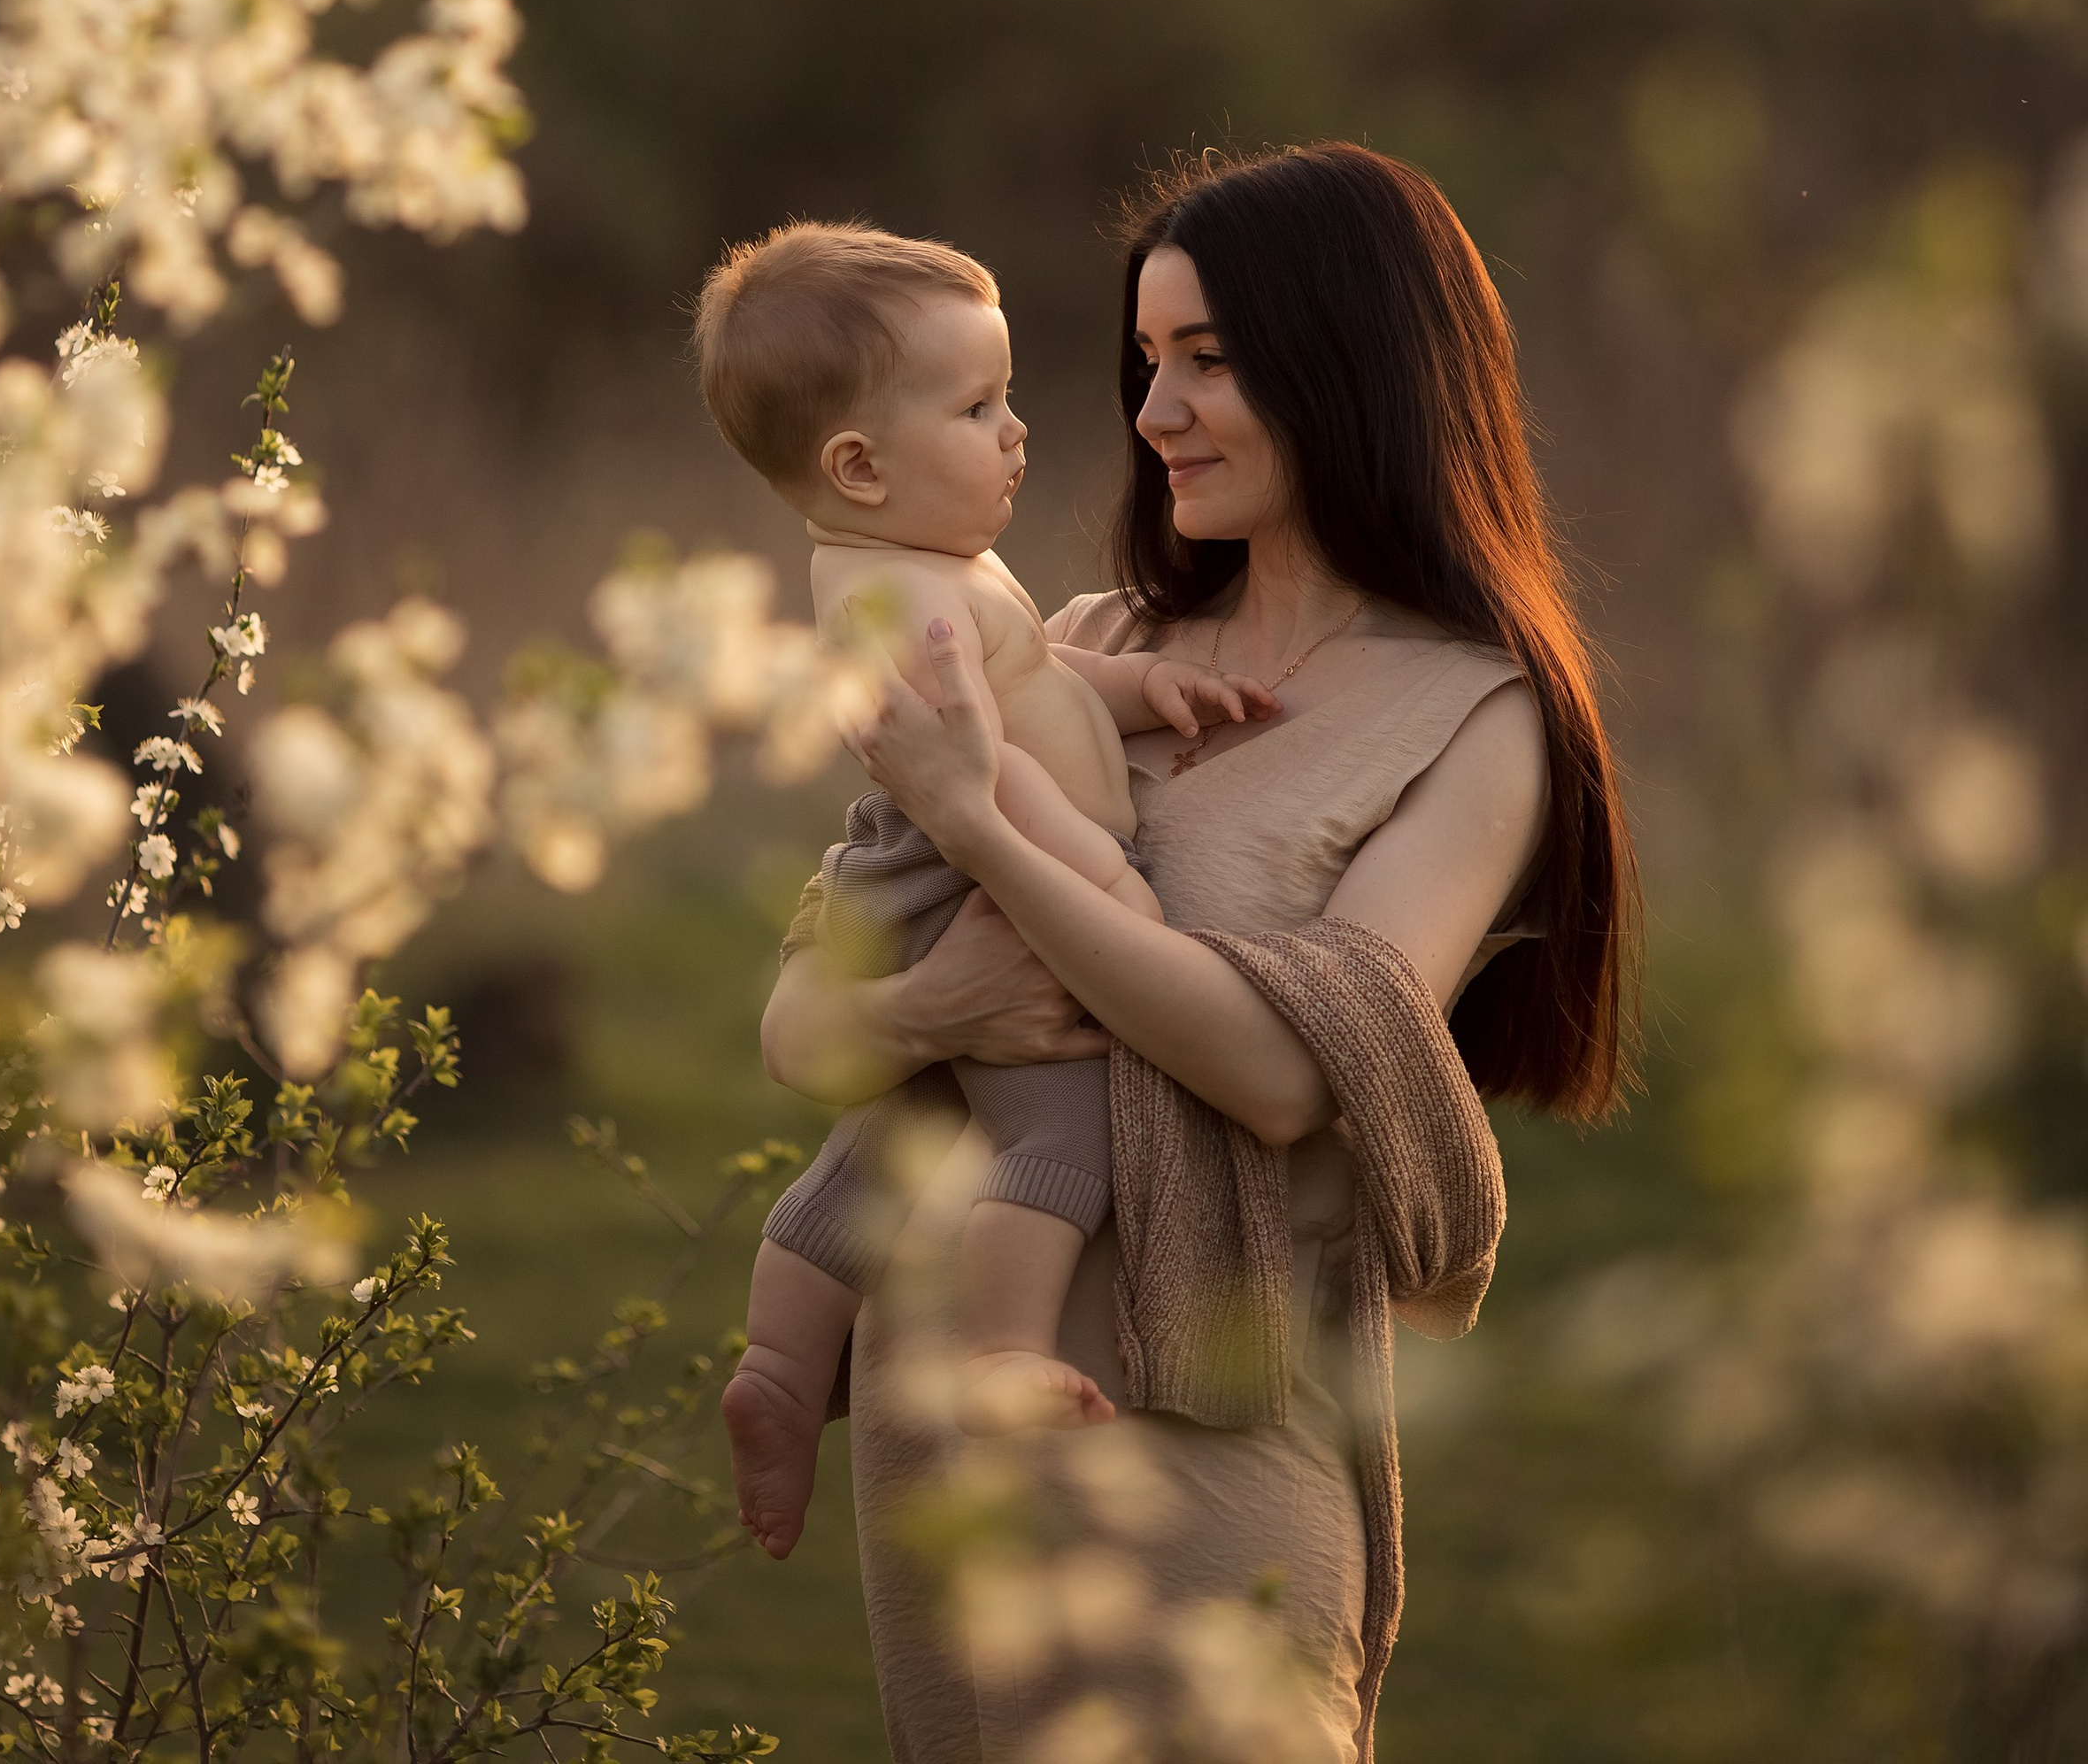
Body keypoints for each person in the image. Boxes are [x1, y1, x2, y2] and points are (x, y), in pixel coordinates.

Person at [757, 144, 1639, 1764]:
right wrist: (926, 1001)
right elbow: (807, 1018)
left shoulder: (1474, 716)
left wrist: (990, 837)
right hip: (944, 1416)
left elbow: (1295, 1070)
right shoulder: (1077, 648)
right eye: (1148, 361)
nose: (1154, 411)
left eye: (1212, 363)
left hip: (1194, 1440)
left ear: (1355, 368)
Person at [693, 223, 1277, 1558]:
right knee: (1062, 1130)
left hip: (905, 882)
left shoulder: (915, 566)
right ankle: (1007, 1346)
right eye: (976, 407)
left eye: (1006, 398)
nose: (1019, 432)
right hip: (957, 878)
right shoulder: (909, 608)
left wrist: (1143, 686)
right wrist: (1103, 884)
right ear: (859, 463)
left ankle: (780, 1372)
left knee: (880, 1147)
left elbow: (1041, 687)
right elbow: (984, 776)